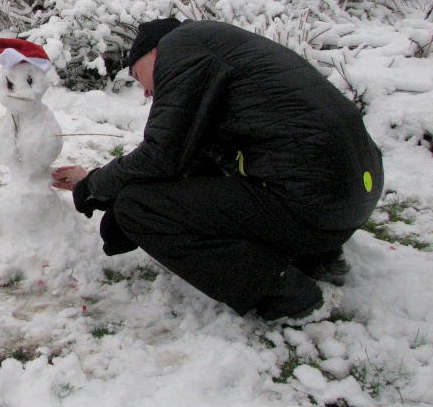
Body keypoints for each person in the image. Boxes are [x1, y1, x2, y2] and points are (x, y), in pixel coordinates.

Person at [52, 18, 383, 321]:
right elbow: (191, 165)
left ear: (154, 50)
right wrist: (113, 193)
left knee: (137, 209)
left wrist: (94, 186)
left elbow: (161, 155)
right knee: (154, 198)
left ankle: (286, 294)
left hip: (310, 202)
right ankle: (312, 255)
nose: (145, 91)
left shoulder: (179, 47)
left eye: (138, 76)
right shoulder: (218, 49)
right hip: (351, 197)